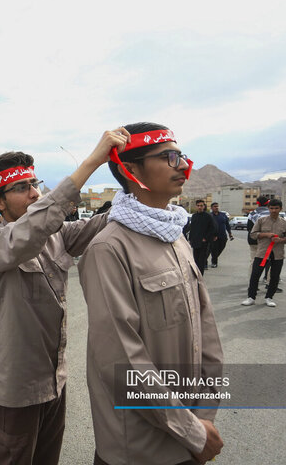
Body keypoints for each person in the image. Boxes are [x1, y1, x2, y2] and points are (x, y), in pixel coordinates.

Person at [79, 122, 224, 465]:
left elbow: (206, 331)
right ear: (131, 170)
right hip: (142, 447)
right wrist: (190, 429)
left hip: (191, 431)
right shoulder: (109, 248)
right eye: (169, 157)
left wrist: (204, 414)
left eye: (182, 155)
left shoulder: (175, 234)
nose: (183, 166)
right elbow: (122, 360)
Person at [0, 132, 120, 464]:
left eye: (35, 183)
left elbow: (98, 225)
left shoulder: (56, 236)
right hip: (15, 389)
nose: (34, 192)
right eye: (22, 188)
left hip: (54, 381)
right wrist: (90, 162)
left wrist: (129, 193)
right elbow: (29, 232)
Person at [241, 199, 286, 308]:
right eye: (271, 208)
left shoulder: (285, 223)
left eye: (276, 208)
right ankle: (251, 297)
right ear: (268, 208)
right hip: (262, 253)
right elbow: (253, 234)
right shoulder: (261, 220)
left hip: (278, 254)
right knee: (255, 274)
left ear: (280, 209)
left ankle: (269, 297)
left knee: (274, 276)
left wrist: (281, 240)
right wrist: (266, 234)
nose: (273, 210)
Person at [184, 199, 215, 275]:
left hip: (204, 243)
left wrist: (206, 238)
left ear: (204, 206)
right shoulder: (194, 216)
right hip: (195, 242)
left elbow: (212, 228)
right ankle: (196, 275)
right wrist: (190, 239)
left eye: (201, 206)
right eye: (198, 206)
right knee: (195, 260)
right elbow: (192, 228)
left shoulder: (208, 216)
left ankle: (200, 277)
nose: (199, 207)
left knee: (201, 261)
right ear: (196, 206)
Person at [247, 196, 272, 282]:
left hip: (253, 240)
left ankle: (252, 283)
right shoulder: (271, 213)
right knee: (271, 261)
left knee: (254, 261)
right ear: (268, 203)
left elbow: (249, 228)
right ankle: (269, 282)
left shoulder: (252, 213)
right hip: (266, 240)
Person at [208, 202, 233, 268]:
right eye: (215, 206)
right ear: (211, 208)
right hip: (214, 236)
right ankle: (214, 262)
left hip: (223, 235)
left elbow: (227, 225)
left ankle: (214, 257)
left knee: (221, 247)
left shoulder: (223, 215)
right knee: (214, 249)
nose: (216, 207)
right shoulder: (210, 215)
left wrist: (230, 234)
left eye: (217, 206)